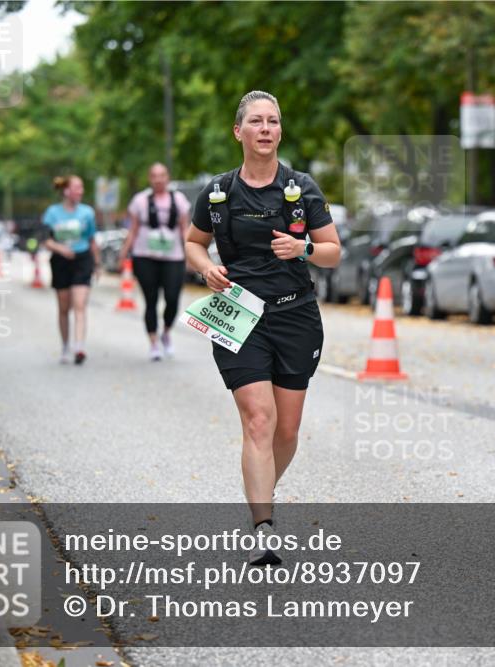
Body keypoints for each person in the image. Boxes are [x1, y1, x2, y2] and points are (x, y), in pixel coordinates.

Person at [185, 91, 340, 565]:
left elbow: (332, 250)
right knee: (259, 419)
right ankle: (263, 528)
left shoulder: (302, 188)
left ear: (280, 131)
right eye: (256, 121)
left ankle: (260, 493)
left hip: (295, 315)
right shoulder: (218, 192)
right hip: (239, 314)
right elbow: (193, 242)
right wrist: (205, 268)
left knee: (286, 432)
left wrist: (303, 249)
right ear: (239, 132)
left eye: (273, 121)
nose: (266, 129)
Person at [119, 163, 191, 361]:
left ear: (168, 177)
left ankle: (166, 332)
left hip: (173, 257)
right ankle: (153, 343)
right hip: (145, 256)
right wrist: (124, 253)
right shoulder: (140, 200)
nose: (158, 179)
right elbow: (133, 229)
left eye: (162, 175)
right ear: (149, 178)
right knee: (150, 300)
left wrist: (191, 254)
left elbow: (184, 229)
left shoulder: (179, 199)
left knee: (172, 298)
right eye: (154, 176)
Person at [42, 175, 100, 365]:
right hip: (60, 262)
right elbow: (46, 240)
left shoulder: (87, 213)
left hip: (82, 259)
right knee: (64, 308)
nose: (80, 191)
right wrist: (60, 249)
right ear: (66, 191)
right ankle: (65, 346)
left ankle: (79, 347)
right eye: (77, 187)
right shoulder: (52, 213)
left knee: (80, 304)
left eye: (82, 187)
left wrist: (97, 264)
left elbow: (92, 239)